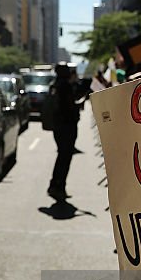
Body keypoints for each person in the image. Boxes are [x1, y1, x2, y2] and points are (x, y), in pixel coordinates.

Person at [47, 61, 88, 201]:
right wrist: (80, 103)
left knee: (62, 156)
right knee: (65, 157)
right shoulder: (64, 86)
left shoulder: (55, 85)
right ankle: (58, 186)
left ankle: (56, 185)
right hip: (66, 126)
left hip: (58, 126)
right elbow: (70, 105)